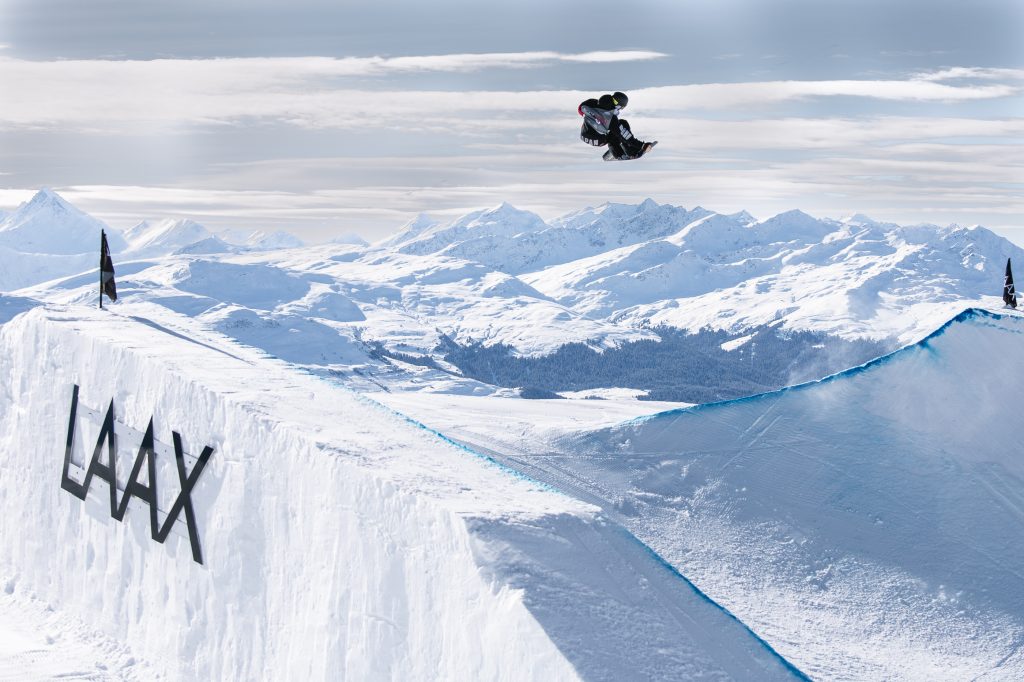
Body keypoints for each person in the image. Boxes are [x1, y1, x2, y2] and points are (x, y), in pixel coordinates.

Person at [578, 91, 655, 160]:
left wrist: (593, 118)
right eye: (621, 108)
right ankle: (625, 153)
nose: (619, 110)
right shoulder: (611, 119)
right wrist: (642, 146)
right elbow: (625, 136)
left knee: (614, 130)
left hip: (584, 134)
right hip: (597, 140)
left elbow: (580, 108)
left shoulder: (592, 102)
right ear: (618, 106)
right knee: (620, 127)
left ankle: (615, 149)